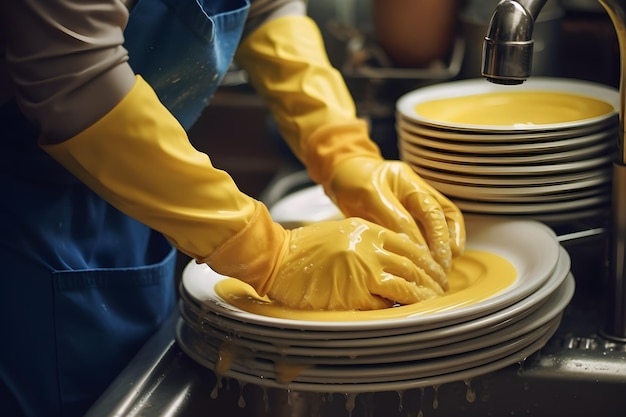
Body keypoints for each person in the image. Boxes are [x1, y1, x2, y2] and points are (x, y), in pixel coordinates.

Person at [0, 0, 466, 416]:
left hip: (137, 194)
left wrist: (342, 149)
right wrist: (271, 252)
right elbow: (74, 74)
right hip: (25, 223)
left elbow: (267, 9)